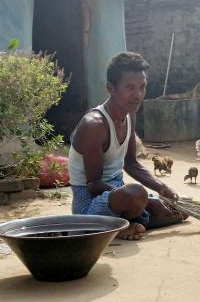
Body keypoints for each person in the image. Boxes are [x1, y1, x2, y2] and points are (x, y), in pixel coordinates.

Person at [69, 52, 187, 240]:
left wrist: (162, 188)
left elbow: (131, 163)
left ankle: (124, 225)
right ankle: (109, 226)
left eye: (142, 87)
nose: (138, 95)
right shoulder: (94, 125)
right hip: (90, 204)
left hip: (118, 193)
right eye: (130, 88)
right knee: (137, 194)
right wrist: (146, 200)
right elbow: (93, 185)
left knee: (179, 209)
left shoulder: (129, 114)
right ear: (111, 88)